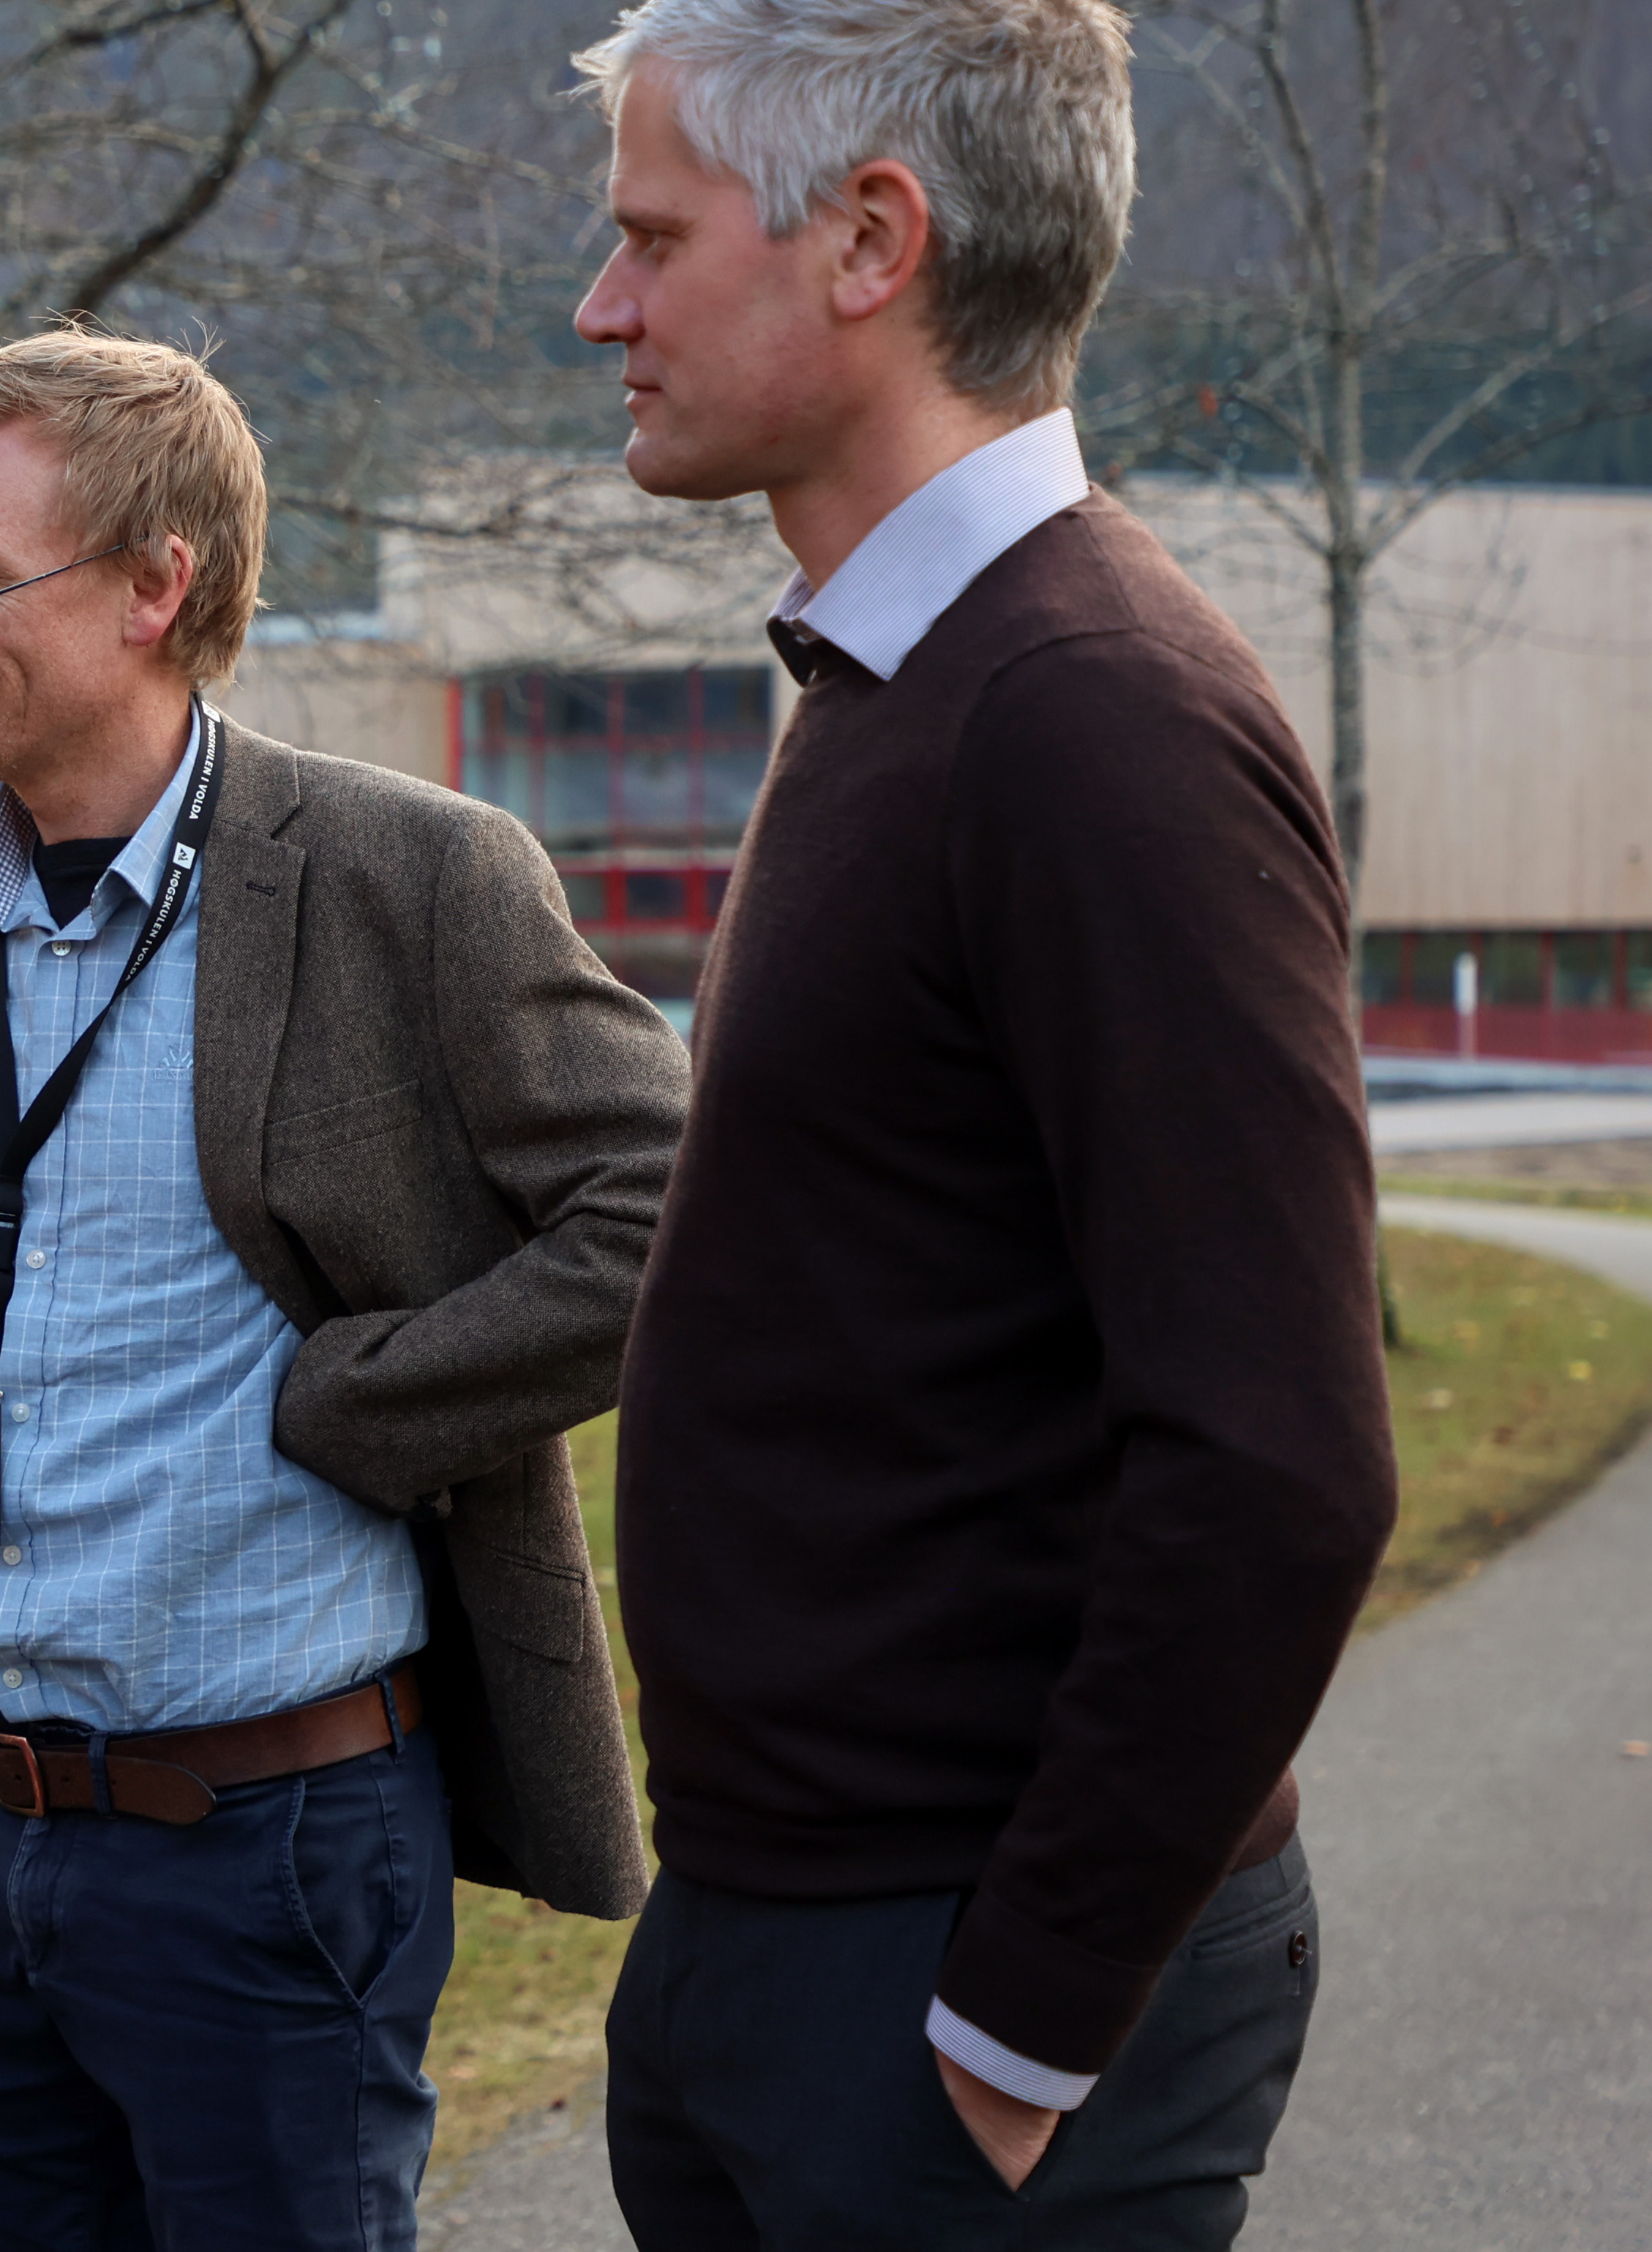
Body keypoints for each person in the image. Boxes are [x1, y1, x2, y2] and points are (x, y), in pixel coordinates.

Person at [571, 1, 1400, 2240]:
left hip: (960, 1994)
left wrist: (1019, 2029)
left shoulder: (1090, 714)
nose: (604, 303)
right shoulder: (902, 677)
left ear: (871, 240)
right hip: (786, 1928)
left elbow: (1283, 1455)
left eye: (651, 236)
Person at [0, 331, 690, 2251]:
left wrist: (361, 1399)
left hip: (267, 1850)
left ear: (157, 583)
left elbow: (674, 1209)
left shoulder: (413, 875)